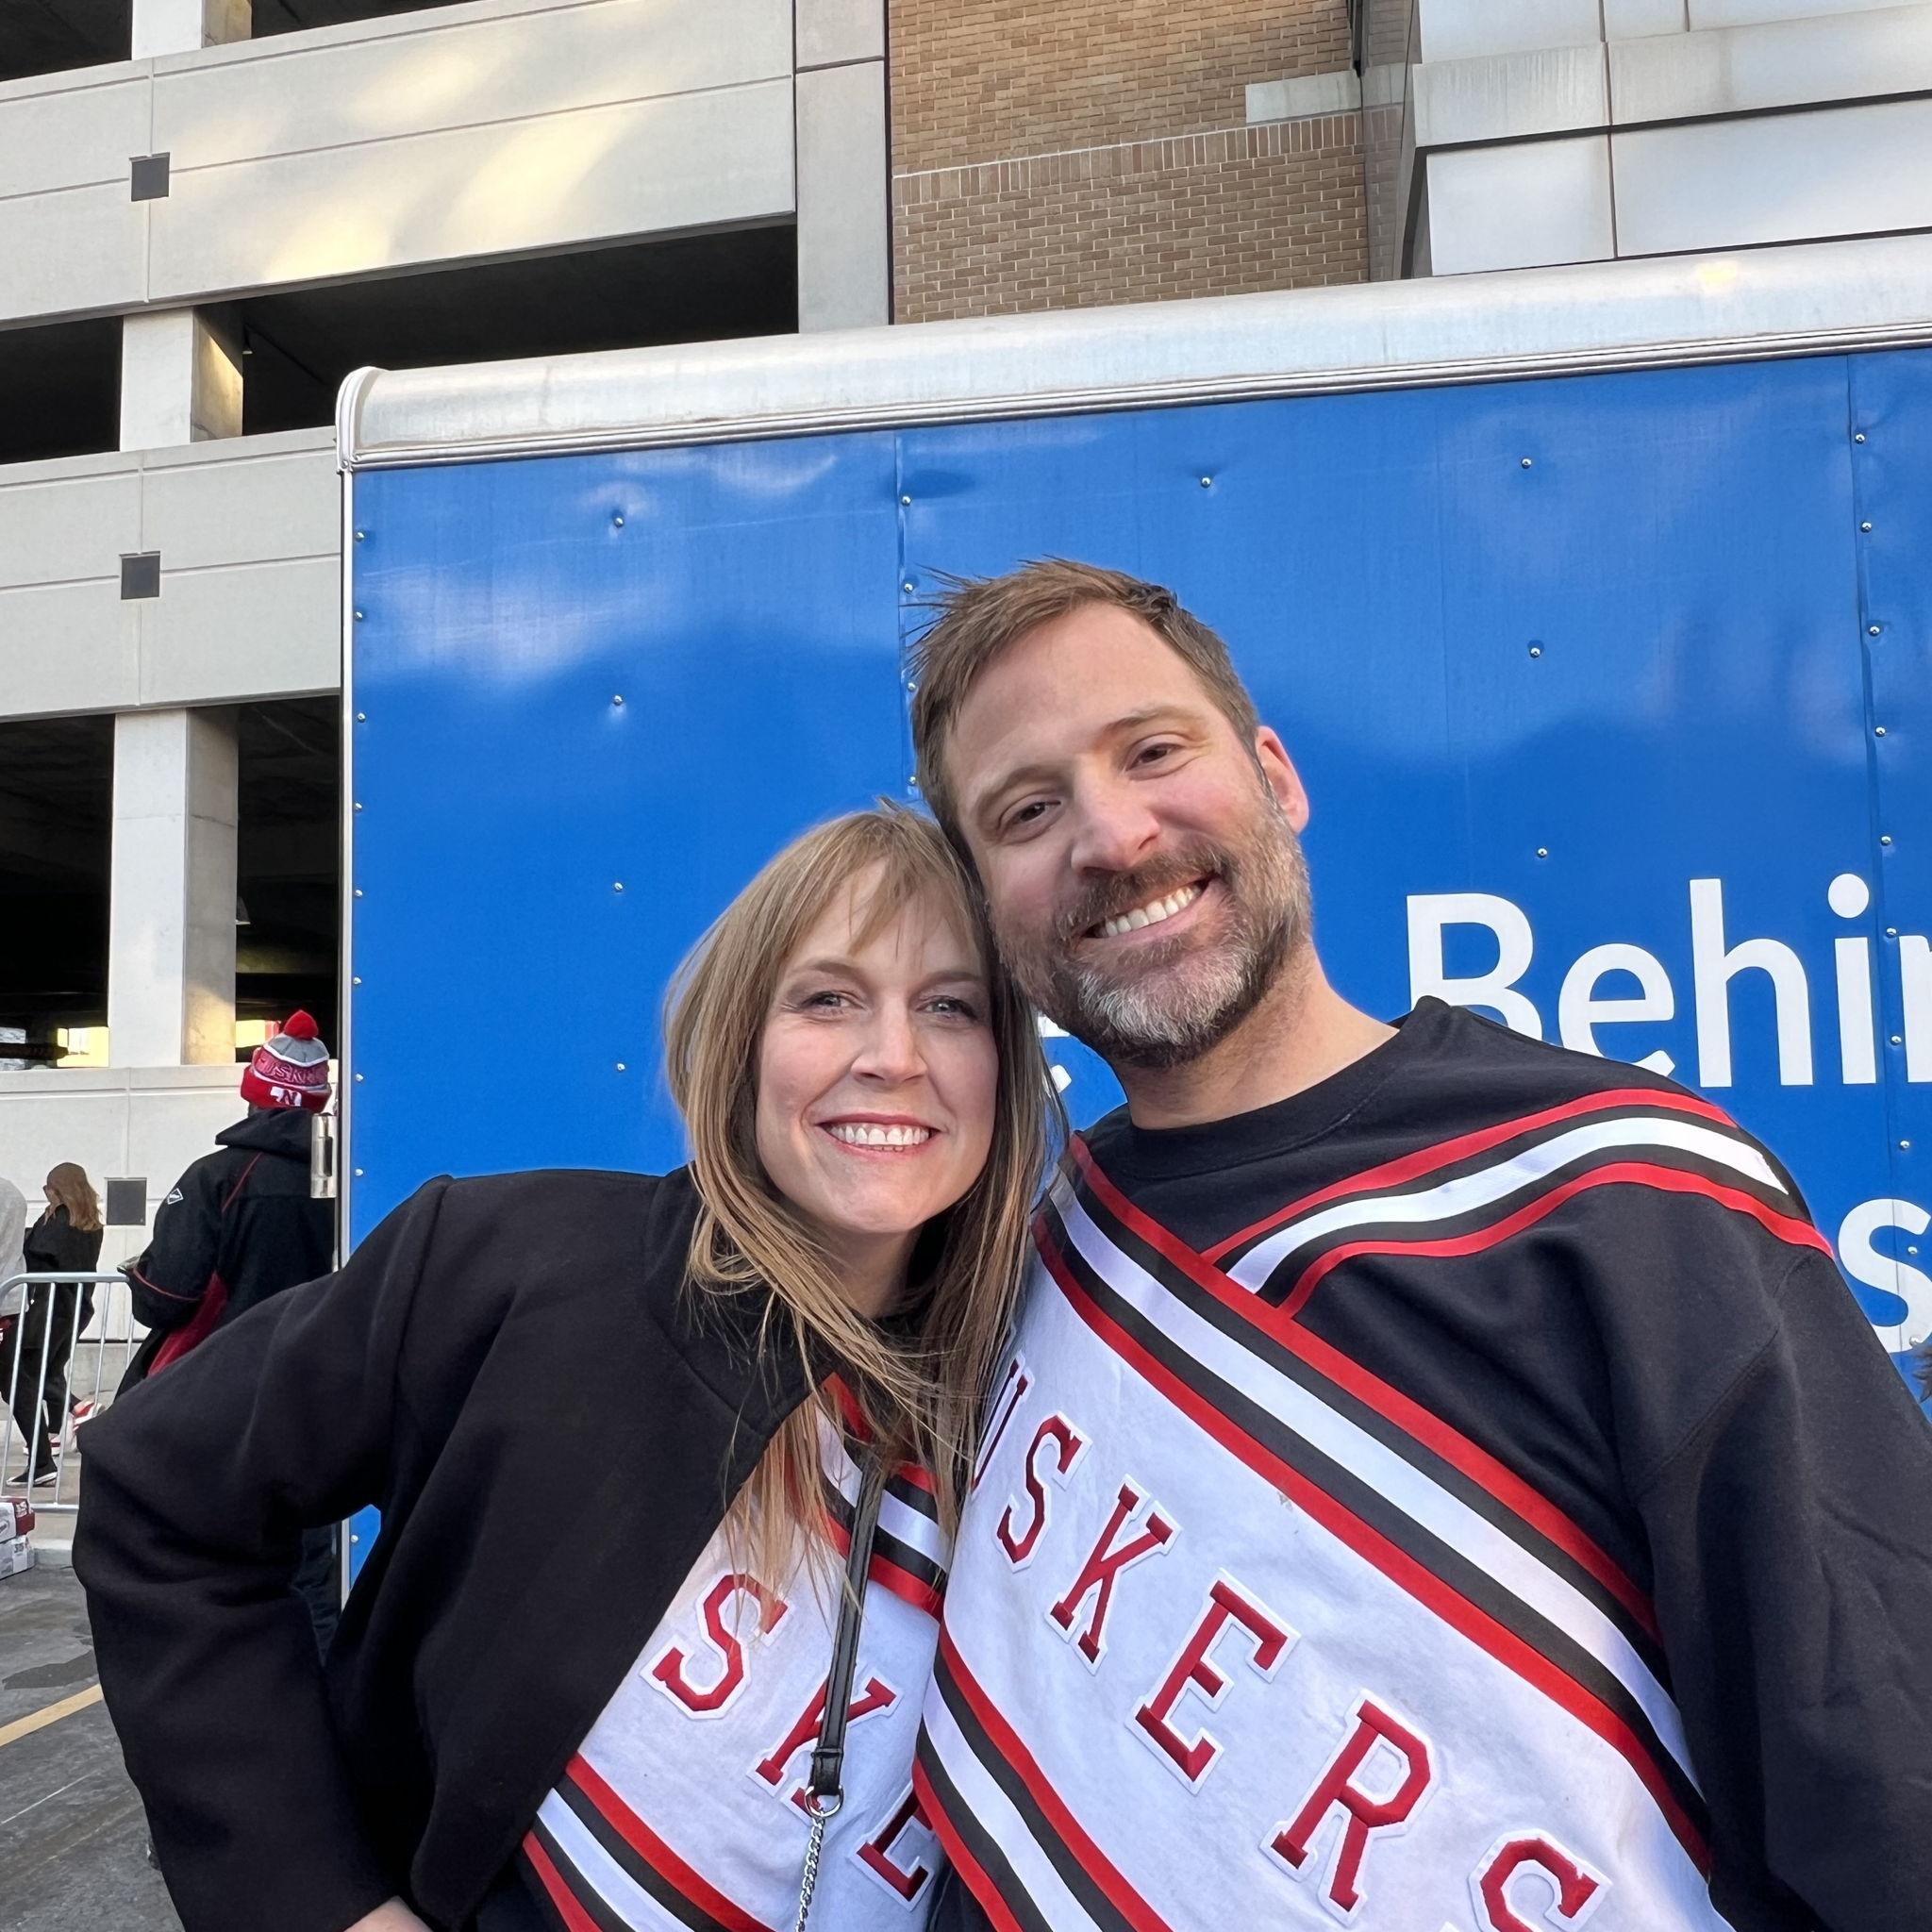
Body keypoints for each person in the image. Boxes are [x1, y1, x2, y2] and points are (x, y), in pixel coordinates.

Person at [906, 558, 1932, 1932]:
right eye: (1027, 811)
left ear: (1275, 776)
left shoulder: (1624, 1195)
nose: (1112, 834)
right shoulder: (1021, 1282)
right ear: (988, 899)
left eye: (1153, 751)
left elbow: (1881, 1779)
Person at [75, 804, 1054, 1932]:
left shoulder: (1037, 1399)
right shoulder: (505, 1261)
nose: (893, 1054)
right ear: (739, 1041)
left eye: (949, 1004)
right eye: (827, 996)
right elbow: (161, 1488)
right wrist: (317, 1900)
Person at [1, 1162, 106, 1487]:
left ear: (59, 1189)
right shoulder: (88, 1223)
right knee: (36, 1375)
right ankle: (46, 1452)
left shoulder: (60, 1223)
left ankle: (52, 1444)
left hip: (48, 1311)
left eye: (48, 1188)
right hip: (69, 1311)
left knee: (15, 1376)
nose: (45, 1194)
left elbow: (35, 1253)